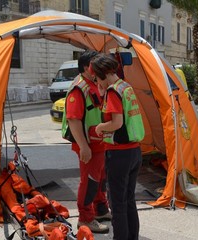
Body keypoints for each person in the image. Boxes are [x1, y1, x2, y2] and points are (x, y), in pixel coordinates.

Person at [90, 53, 145, 240]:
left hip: (119, 155)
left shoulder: (114, 91)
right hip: (134, 152)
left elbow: (117, 122)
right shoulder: (125, 87)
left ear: (102, 73)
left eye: (97, 77)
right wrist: (102, 91)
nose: (96, 81)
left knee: (117, 203)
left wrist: (100, 127)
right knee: (129, 200)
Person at [61, 50, 111, 234]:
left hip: (100, 143)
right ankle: (85, 219)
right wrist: (83, 146)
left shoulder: (95, 84)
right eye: (96, 63)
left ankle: (100, 210)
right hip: (88, 145)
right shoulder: (79, 88)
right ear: (86, 67)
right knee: (89, 181)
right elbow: (73, 119)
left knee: (100, 179)